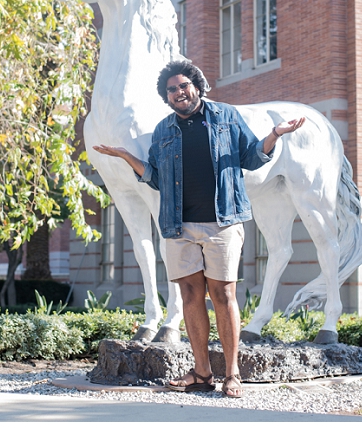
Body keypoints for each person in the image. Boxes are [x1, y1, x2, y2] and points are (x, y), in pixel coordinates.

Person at [93, 60, 305, 398]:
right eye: (171, 90)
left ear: (196, 86)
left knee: (223, 294)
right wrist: (124, 156)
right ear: (167, 97)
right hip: (179, 227)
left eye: (183, 86)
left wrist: (275, 134)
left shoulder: (225, 117)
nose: (178, 93)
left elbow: (251, 157)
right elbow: (158, 178)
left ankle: (232, 374)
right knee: (190, 296)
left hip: (222, 221)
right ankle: (202, 372)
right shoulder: (163, 130)